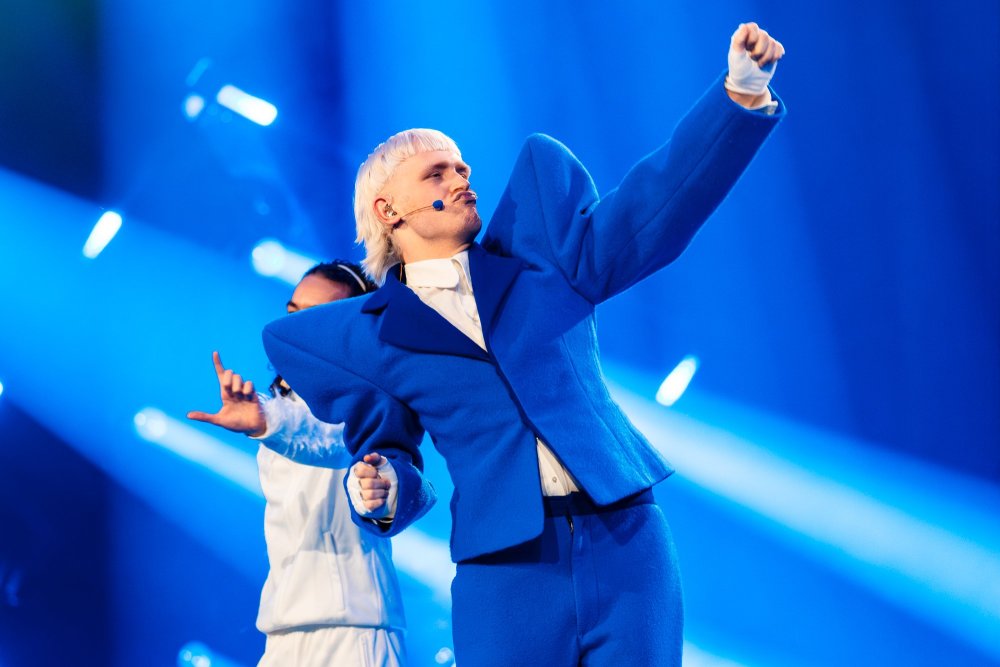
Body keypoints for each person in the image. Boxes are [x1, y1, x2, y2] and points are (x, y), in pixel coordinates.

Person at [262, 23, 786, 666]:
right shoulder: (377, 336)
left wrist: (739, 95)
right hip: (505, 571)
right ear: (388, 210)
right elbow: (393, 454)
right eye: (436, 173)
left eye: (462, 168)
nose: (460, 179)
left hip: (626, 542)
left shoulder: (545, 265)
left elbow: (653, 205)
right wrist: (385, 487)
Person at [187, 262, 410, 667]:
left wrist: (266, 422)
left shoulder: (368, 400)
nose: (294, 328)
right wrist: (265, 417)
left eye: (312, 316)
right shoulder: (277, 405)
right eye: (292, 313)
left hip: (354, 631)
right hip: (284, 629)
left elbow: (328, 437)